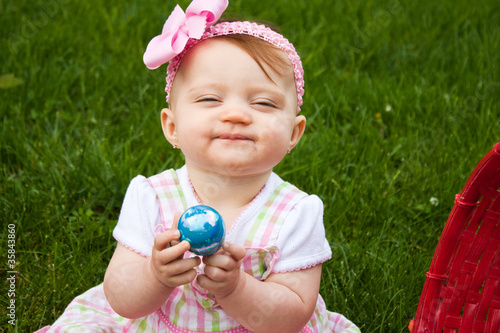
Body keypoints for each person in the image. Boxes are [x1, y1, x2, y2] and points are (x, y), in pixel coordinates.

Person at [36, 0, 360, 332]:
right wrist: (154, 275)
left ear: (294, 133)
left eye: (263, 102)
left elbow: (292, 316)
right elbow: (121, 298)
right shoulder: (151, 197)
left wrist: (238, 288)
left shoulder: (296, 214)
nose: (236, 114)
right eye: (210, 99)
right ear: (172, 127)